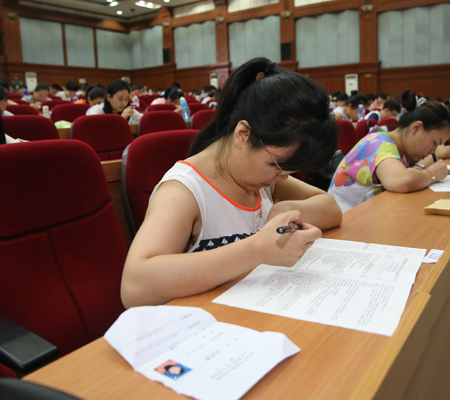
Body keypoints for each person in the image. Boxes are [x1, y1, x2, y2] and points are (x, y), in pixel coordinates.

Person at [121, 58, 342, 307]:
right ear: (243, 135)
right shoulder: (184, 192)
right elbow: (134, 286)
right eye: (279, 167)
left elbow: (331, 208)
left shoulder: (267, 179)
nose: (282, 177)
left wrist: (285, 209)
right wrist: (257, 249)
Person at [328, 101, 450, 212]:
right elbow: (402, 181)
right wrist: (432, 174)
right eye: (435, 143)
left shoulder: (399, 149)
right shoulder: (379, 142)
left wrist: (421, 168)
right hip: (345, 220)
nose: (433, 151)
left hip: (365, 216)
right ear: (416, 128)